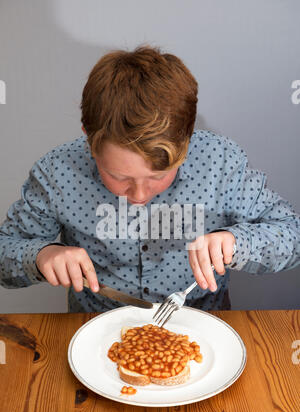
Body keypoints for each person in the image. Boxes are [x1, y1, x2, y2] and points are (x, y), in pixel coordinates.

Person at [0, 45, 299, 313]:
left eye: (159, 176)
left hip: (203, 330)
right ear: (89, 138)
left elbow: (293, 237)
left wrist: (238, 243)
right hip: (95, 331)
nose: (140, 195)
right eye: (119, 176)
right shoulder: (57, 172)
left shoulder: (220, 163)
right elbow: (5, 253)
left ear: (187, 141)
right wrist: (41, 255)